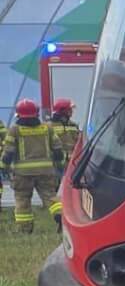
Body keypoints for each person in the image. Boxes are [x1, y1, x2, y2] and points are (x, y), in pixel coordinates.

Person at [2, 99, 64, 235]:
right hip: (46, 171)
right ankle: (61, 217)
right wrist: (59, 165)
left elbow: (8, 152)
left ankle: (25, 230)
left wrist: (4, 167)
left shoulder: (14, 130)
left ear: (18, 115)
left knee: (22, 200)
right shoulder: (47, 128)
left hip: (22, 174)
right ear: (36, 114)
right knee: (51, 197)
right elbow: (58, 149)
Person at [48, 99, 80, 171]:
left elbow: (78, 142)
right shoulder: (49, 126)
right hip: (56, 164)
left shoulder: (73, 125)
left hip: (72, 163)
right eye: (69, 110)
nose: (72, 112)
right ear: (63, 111)